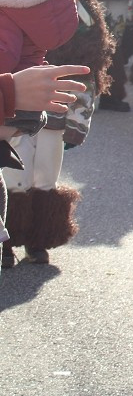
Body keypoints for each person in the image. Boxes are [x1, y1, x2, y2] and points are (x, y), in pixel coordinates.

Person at [2, 0, 113, 268]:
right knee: (21, 169)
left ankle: (31, 240)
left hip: (44, 101)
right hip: (24, 98)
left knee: (33, 169)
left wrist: (78, 118)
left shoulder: (68, 4)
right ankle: (13, 241)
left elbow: (87, 61)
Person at [1, 64, 91, 272]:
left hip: (53, 114)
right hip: (16, 106)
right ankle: (6, 241)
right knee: (13, 175)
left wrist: (78, 122)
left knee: (44, 175)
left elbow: (86, 72)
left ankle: (37, 238)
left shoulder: (73, 32)